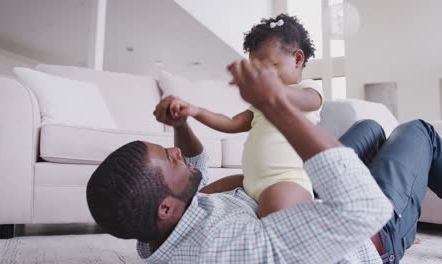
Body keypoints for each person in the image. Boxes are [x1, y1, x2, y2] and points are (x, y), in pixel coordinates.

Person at [86, 58, 442, 263]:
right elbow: (364, 208)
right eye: (169, 158)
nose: (176, 151)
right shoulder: (227, 246)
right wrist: (276, 106)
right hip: (367, 235)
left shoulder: (169, 226)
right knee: (418, 131)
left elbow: (196, 168)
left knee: (369, 127)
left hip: (303, 203)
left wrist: (181, 124)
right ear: (164, 208)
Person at [168, 14, 323, 217]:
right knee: (200, 198)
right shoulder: (261, 104)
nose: (262, 77)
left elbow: (307, 100)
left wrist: (270, 89)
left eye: (269, 68)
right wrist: (195, 111)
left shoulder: (306, 90)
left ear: (297, 58)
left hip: (286, 182)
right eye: (256, 71)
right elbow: (231, 123)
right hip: (250, 182)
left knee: (274, 217)